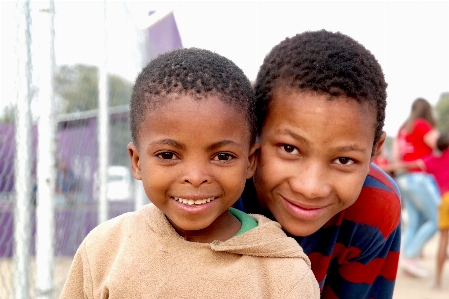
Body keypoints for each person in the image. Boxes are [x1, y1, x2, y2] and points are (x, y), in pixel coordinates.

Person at [60, 48, 320, 298]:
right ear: (137, 162)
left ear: (250, 162)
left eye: (222, 156)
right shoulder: (105, 250)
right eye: (168, 155)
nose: (195, 177)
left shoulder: (283, 272)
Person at [235, 30, 402, 298]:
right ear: (254, 133)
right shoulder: (216, 193)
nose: (311, 188)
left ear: (375, 151)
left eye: (344, 160)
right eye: (289, 149)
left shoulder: (374, 207)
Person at [393, 133, 449, 289]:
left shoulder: (432, 161)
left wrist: (383, 168)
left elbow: (407, 165)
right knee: (434, 223)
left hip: (445, 201)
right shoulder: (423, 127)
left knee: (442, 241)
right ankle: (411, 257)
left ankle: (437, 282)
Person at [393, 98, 440, 278]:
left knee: (414, 223)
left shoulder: (403, 129)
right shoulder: (422, 125)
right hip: (421, 178)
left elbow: (397, 156)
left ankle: (407, 260)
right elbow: (439, 144)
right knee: (437, 220)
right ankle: (411, 256)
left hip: (406, 178)